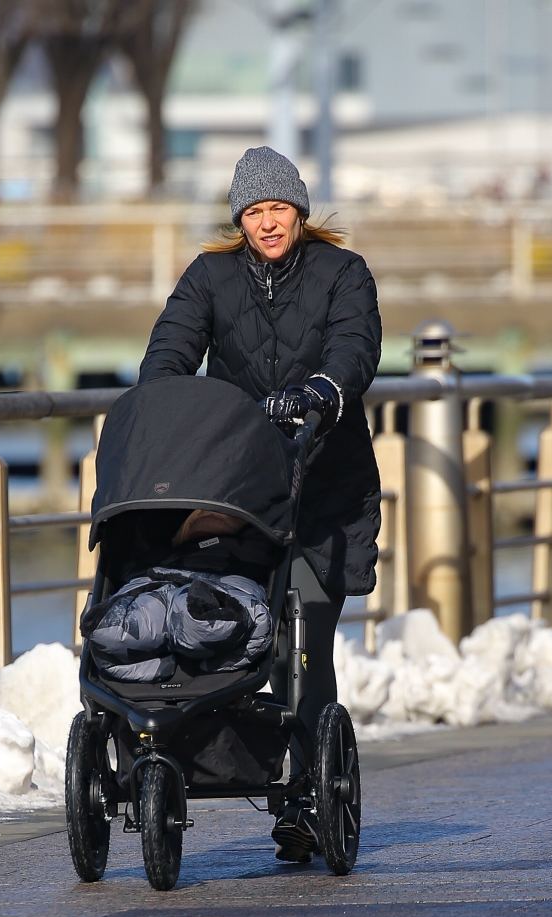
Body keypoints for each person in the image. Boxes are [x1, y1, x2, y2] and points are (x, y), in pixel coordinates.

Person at [138, 146, 382, 862]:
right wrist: (163, 402)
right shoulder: (209, 278)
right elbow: (171, 348)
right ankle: (199, 751)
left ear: (300, 213)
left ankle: (303, 794)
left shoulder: (344, 274)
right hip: (236, 491)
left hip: (323, 496)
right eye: (254, 211)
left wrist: (320, 394)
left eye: (279, 209)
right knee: (224, 623)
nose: (267, 222)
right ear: (238, 219)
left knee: (302, 637)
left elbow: (355, 348)